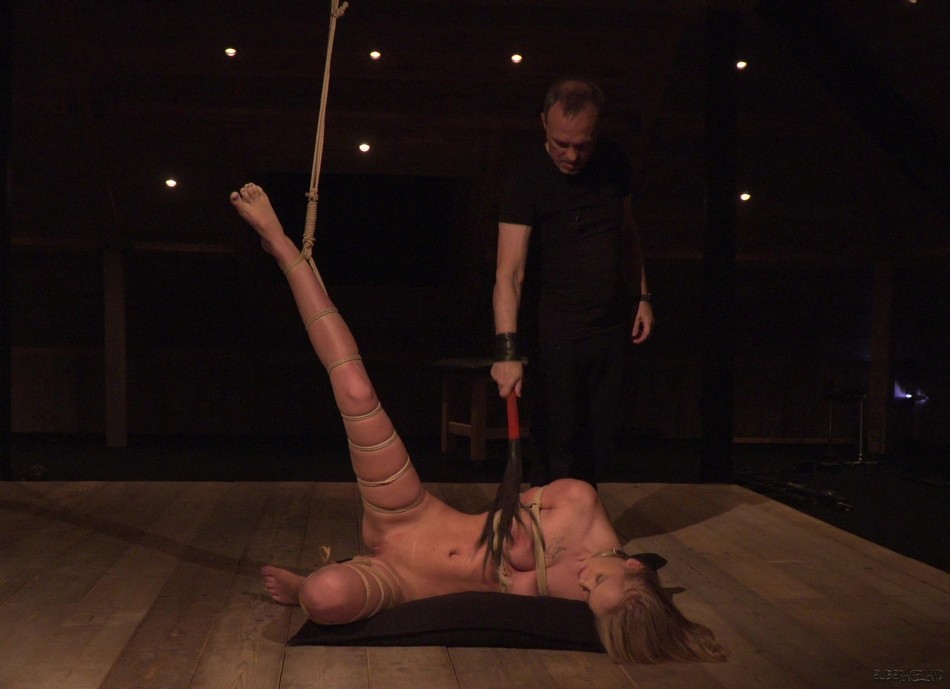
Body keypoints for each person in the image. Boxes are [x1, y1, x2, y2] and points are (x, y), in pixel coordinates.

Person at [230, 183, 723, 664]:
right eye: (599, 581)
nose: (584, 583)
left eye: (590, 595)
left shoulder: (598, 597)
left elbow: (626, 619)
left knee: (324, 597)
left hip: (406, 583)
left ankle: (309, 582)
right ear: (632, 565)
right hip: (413, 517)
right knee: (356, 390)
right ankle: (283, 247)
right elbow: (506, 505)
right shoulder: (577, 502)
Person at [491, 77, 655, 486]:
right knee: (556, 444)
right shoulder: (527, 177)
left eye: (582, 145)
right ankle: (548, 521)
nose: (571, 155)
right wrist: (507, 352)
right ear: (543, 124)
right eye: (561, 143)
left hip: (609, 323)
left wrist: (642, 295)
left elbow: (627, 232)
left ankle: (584, 519)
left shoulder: (614, 162)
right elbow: (509, 272)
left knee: (599, 442)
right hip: (554, 328)